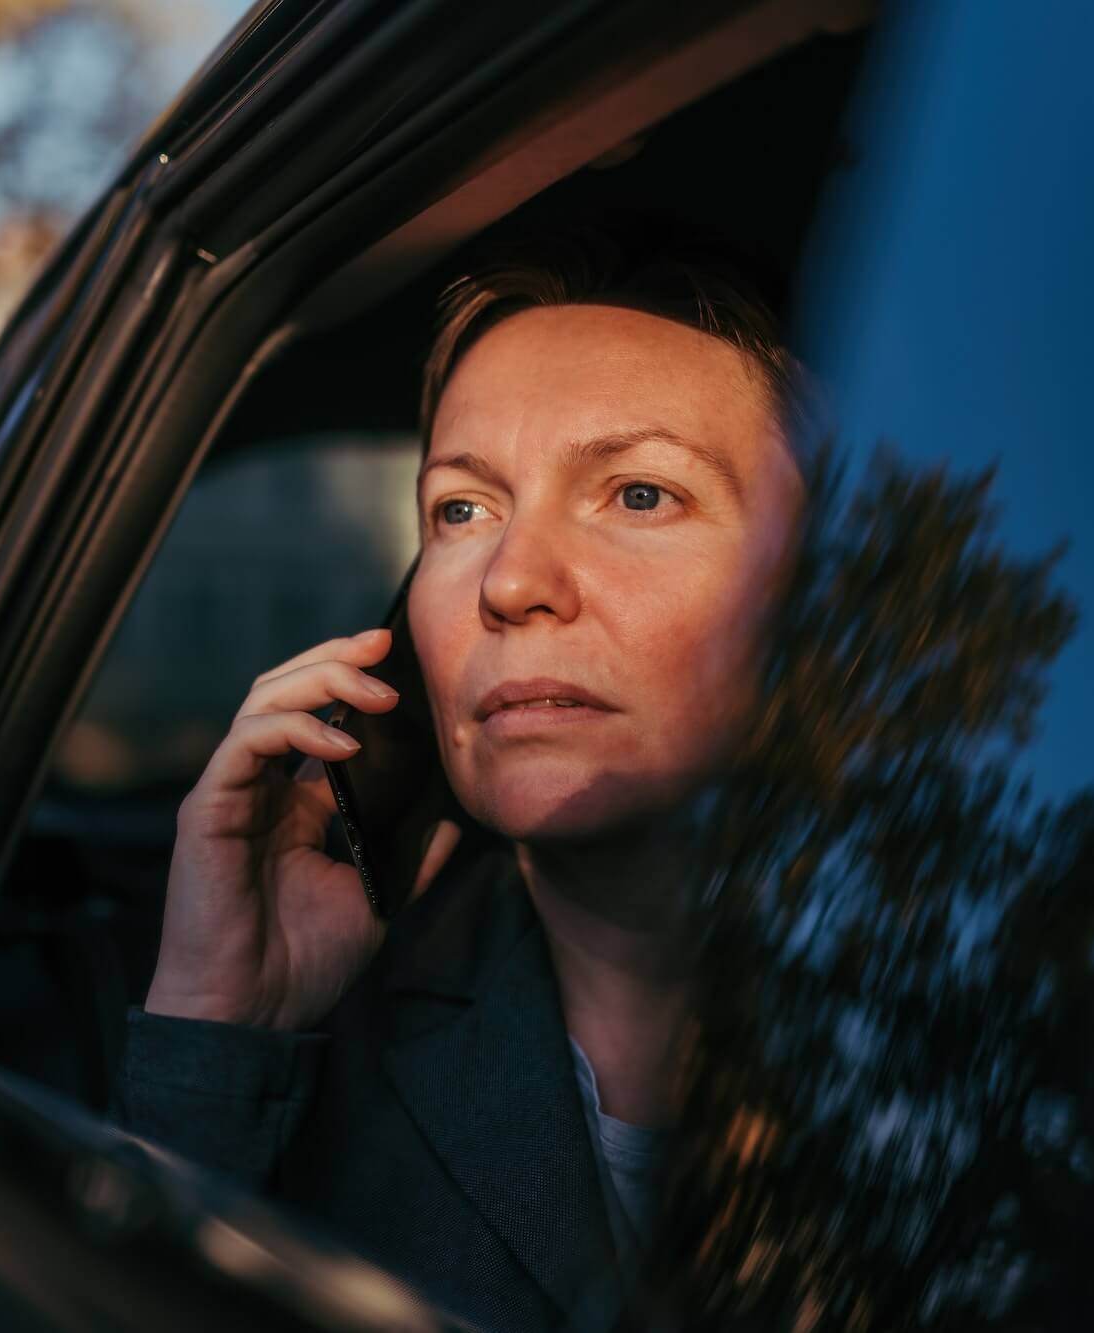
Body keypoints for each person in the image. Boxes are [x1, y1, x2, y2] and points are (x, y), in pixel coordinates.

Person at [116, 229, 809, 1333]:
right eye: (460, 510)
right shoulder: (327, 1053)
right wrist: (216, 1028)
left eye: (636, 494)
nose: (511, 580)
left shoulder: (1040, 1010)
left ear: (823, 585)